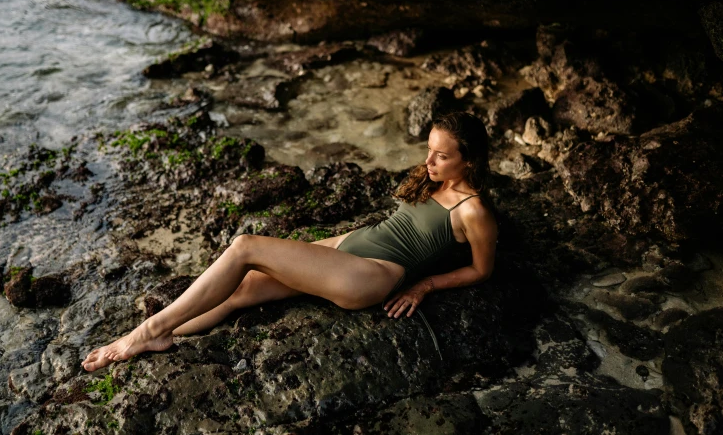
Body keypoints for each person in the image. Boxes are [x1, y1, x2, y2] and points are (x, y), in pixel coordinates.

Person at [82, 112, 498, 372]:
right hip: (350, 250)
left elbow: (482, 270)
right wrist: (330, 245)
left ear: (470, 160)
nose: (428, 161)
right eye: (428, 149)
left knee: (245, 247)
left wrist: (424, 285)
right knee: (239, 291)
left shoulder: (473, 211)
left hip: (370, 277)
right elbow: (390, 227)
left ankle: (144, 332)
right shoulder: (433, 179)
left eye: (440, 155)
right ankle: (153, 338)